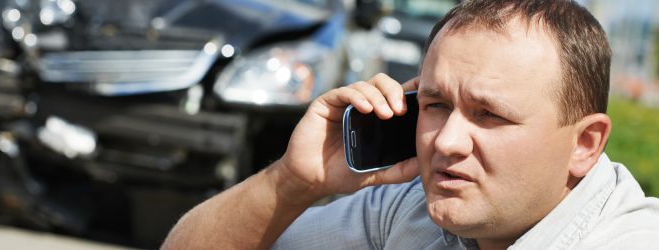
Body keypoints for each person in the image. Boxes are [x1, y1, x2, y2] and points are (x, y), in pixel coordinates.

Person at [162, 0, 659, 249]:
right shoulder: (408, 204)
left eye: (490, 115)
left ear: (585, 143)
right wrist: (294, 181)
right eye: (437, 104)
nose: (446, 142)